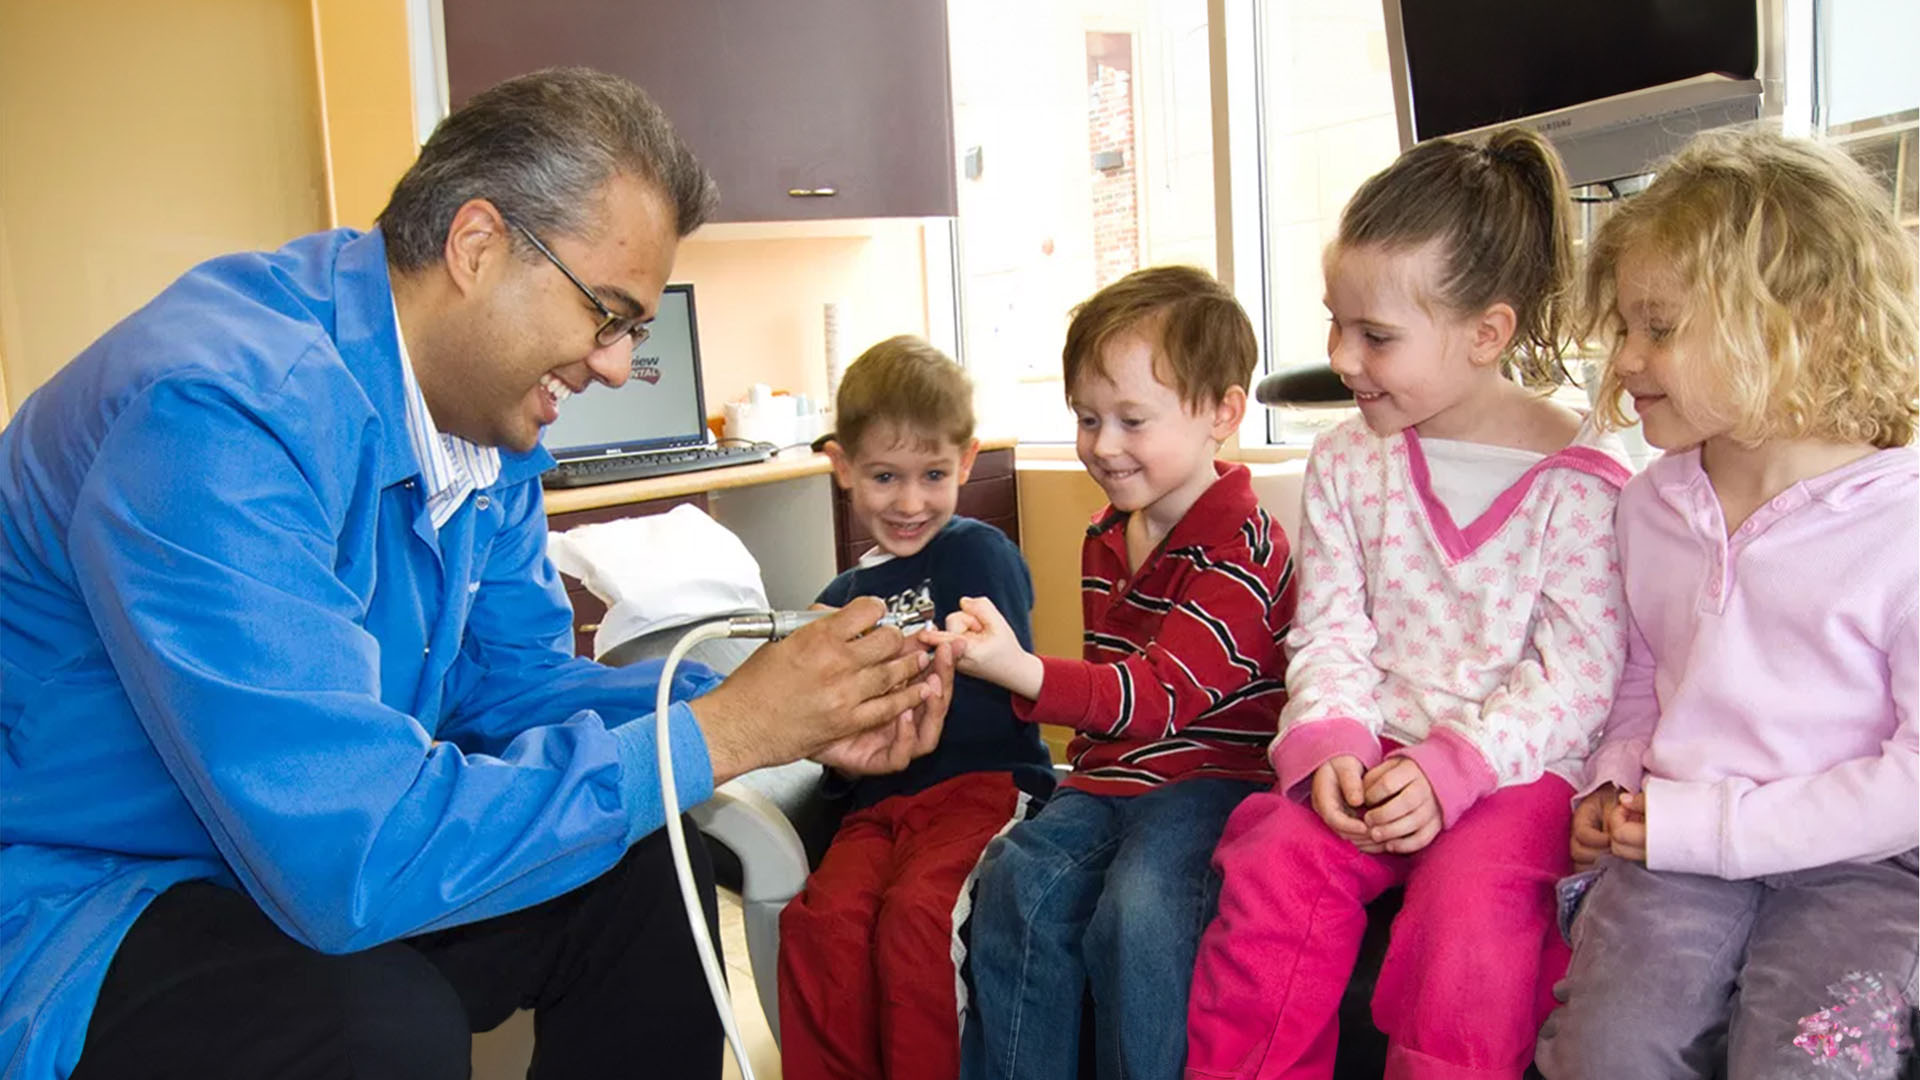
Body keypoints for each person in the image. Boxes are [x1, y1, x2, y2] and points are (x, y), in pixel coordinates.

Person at [0, 68, 954, 1080]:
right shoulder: (215, 416)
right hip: (100, 897)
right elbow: (347, 854)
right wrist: (728, 733)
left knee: (650, 881)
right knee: (377, 1025)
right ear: (477, 244)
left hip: (302, 852)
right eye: (607, 314)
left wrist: (796, 710)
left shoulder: (478, 436)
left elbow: (513, 690)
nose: (618, 366)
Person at [1183, 127, 1634, 1080]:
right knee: (1273, 870)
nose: (1343, 358)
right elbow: (1331, 629)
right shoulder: (1348, 460)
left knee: (1471, 928)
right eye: (1334, 323)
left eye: (1377, 336)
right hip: (1372, 755)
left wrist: (1453, 768)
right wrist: (1332, 747)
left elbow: (1580, 678)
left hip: (1510, 774)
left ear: (1487, 333)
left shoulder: (1582, 481)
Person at [1534, 130, 1919, 1080]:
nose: (1625, 359)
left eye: (1660, 328)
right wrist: (1614, 778)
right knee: (1605, 1054)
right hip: (1670, 851)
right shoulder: (1647, 505)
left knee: (1811, 1063)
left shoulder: (1903, 524)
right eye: (1625, 327)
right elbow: (1639, 678)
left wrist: (1713, 827)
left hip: (1866, 867)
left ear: (1803, 322)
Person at [934, 266, 1298, 1080]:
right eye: (1087, 418)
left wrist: (1020, 670)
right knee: (1018, 882)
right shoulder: (1108, 533)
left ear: (1222, 414)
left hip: (1215, 777)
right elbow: (1110, 716)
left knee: (1142, 912)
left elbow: (1156, 697)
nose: (1103, 445)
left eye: (1133, 420)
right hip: (1111, 779)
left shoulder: (1248, 548)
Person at [776, 335, 1057, 1080]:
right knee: (822, 925)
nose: (910, 502)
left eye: (934, 474)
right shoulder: (834, 602)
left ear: (966, 462)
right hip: (878, 809)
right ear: (842, 467)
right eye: (885, 476)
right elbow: (818, 724)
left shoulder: (980, 553)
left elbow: (1003, 684)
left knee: (917, 925)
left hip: (981, 790)